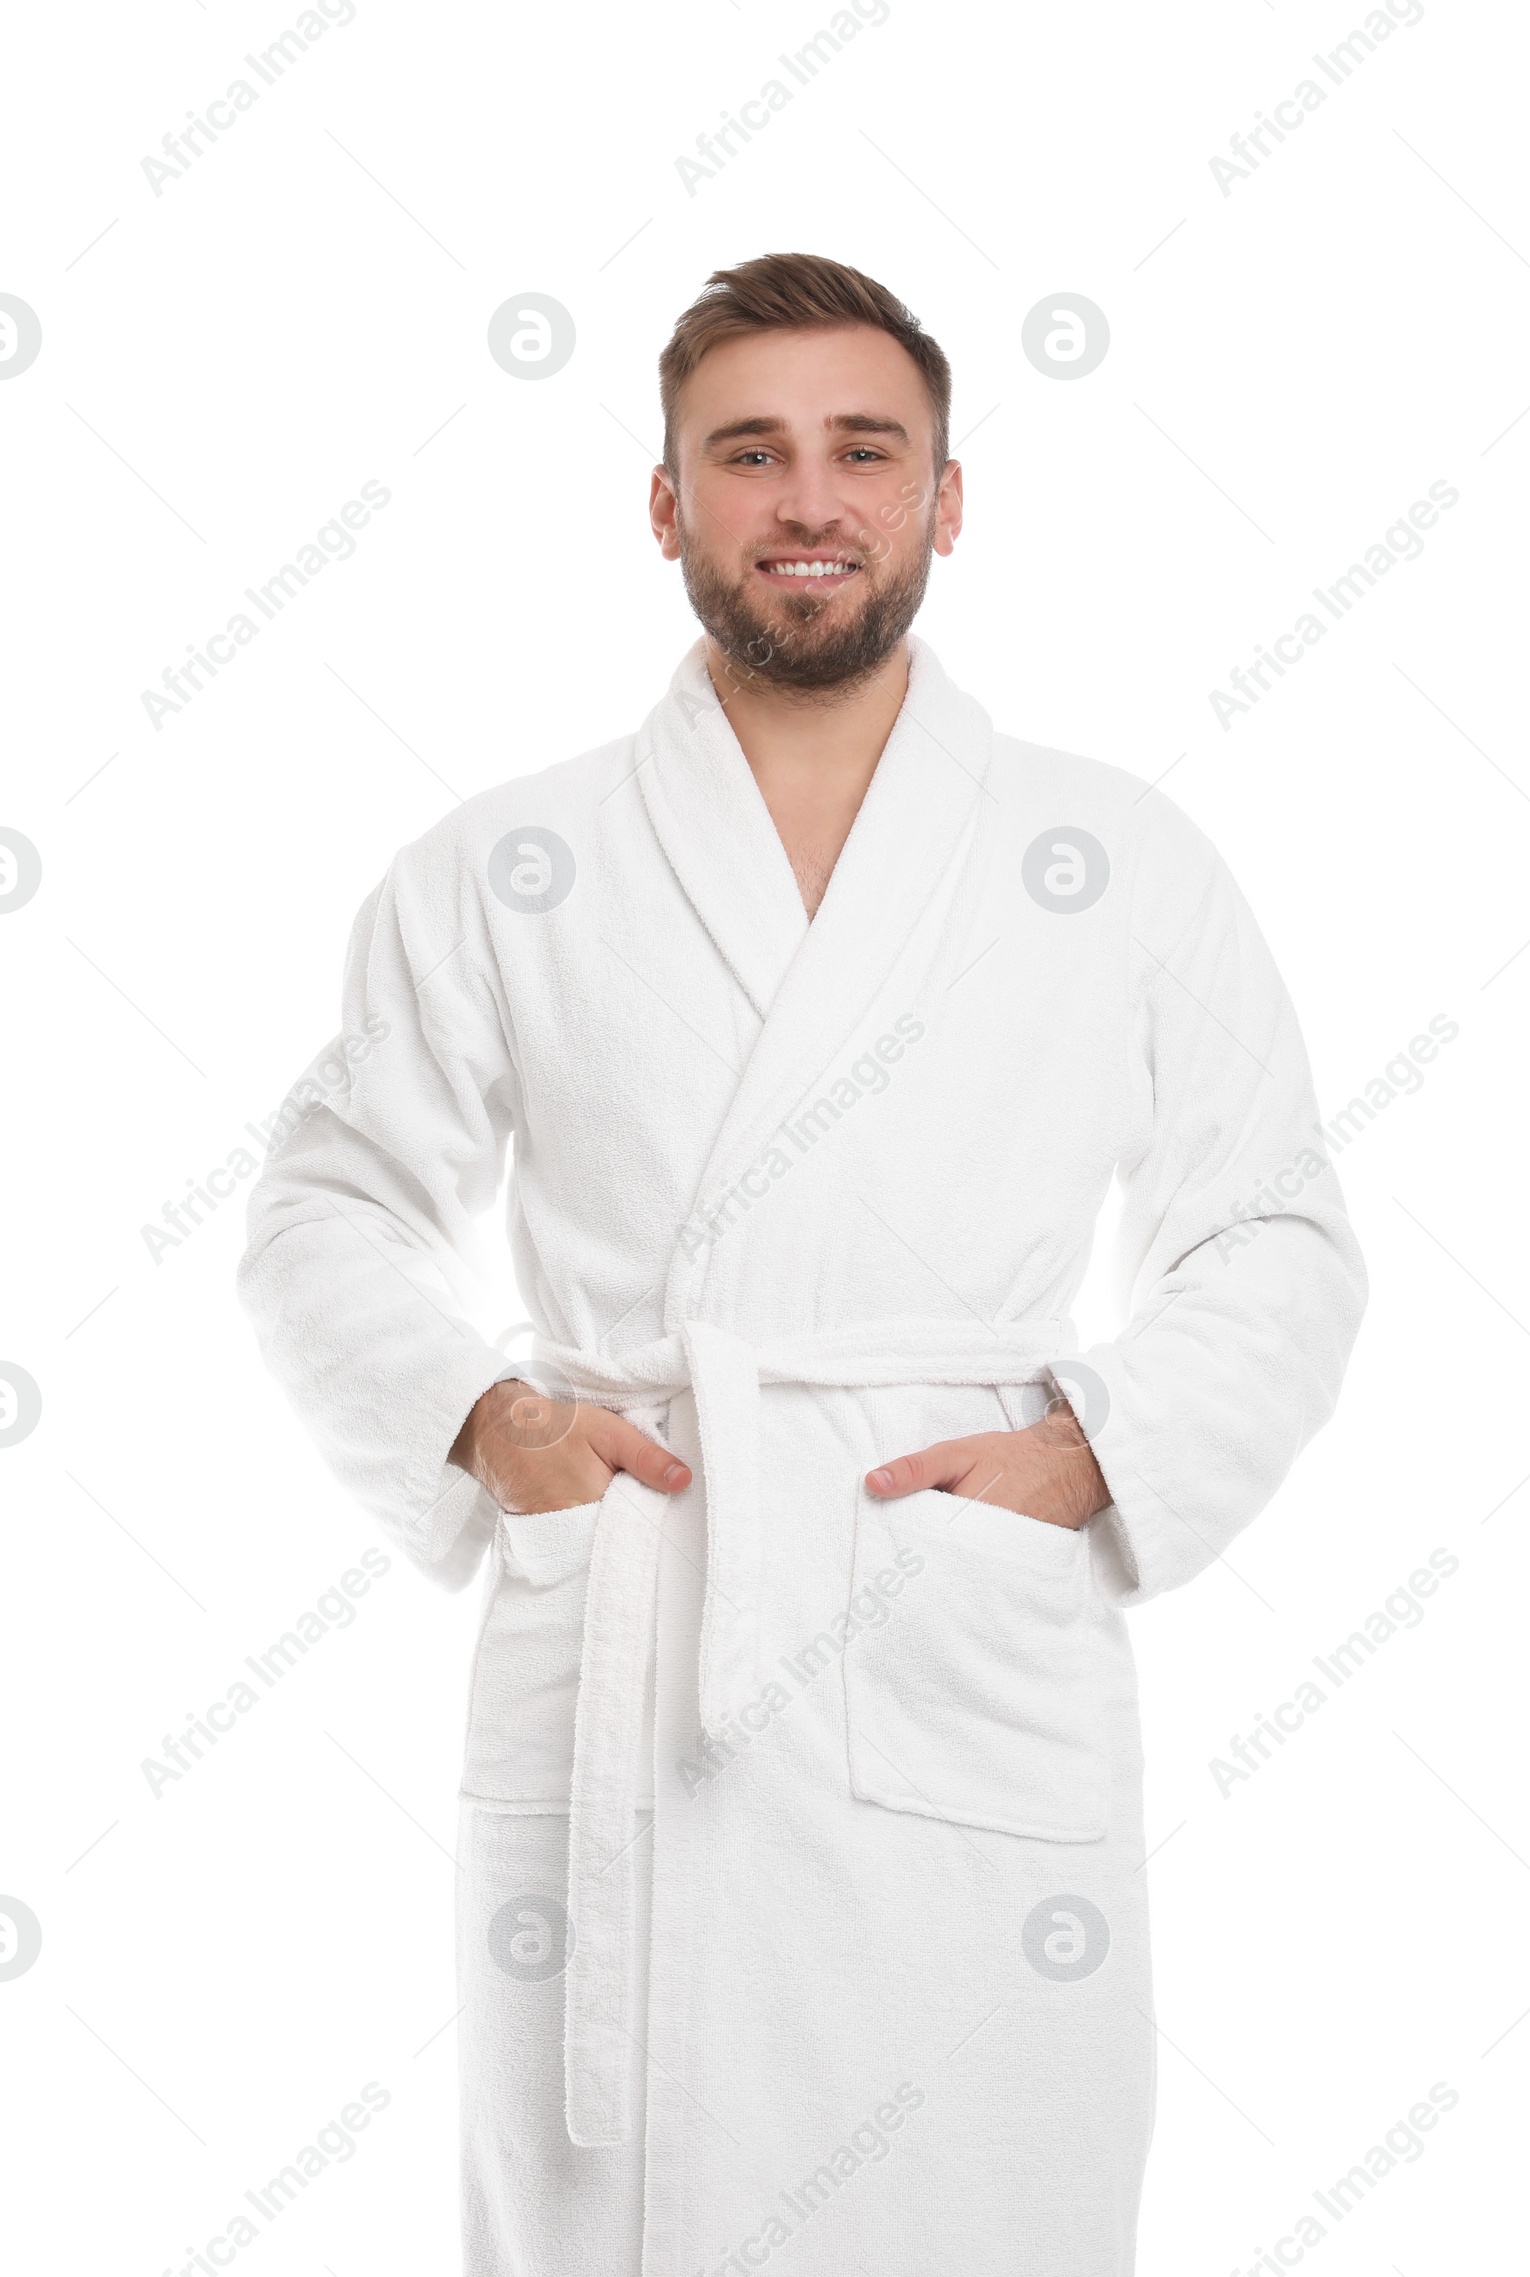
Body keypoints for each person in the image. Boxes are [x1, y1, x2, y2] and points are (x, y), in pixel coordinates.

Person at [238, 251, 1367, 2276]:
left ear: (947, 498)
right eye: (746, 454)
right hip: (635, 1606)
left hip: (953, 1622)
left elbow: (1274, 1225)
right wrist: (488, 1418)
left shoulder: (1108, 860)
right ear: (664, 505)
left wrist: (1085, 1458)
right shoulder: (514, 862)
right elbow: (320, 1206)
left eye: (864, 448)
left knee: (981, 2193)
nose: (808, 499)